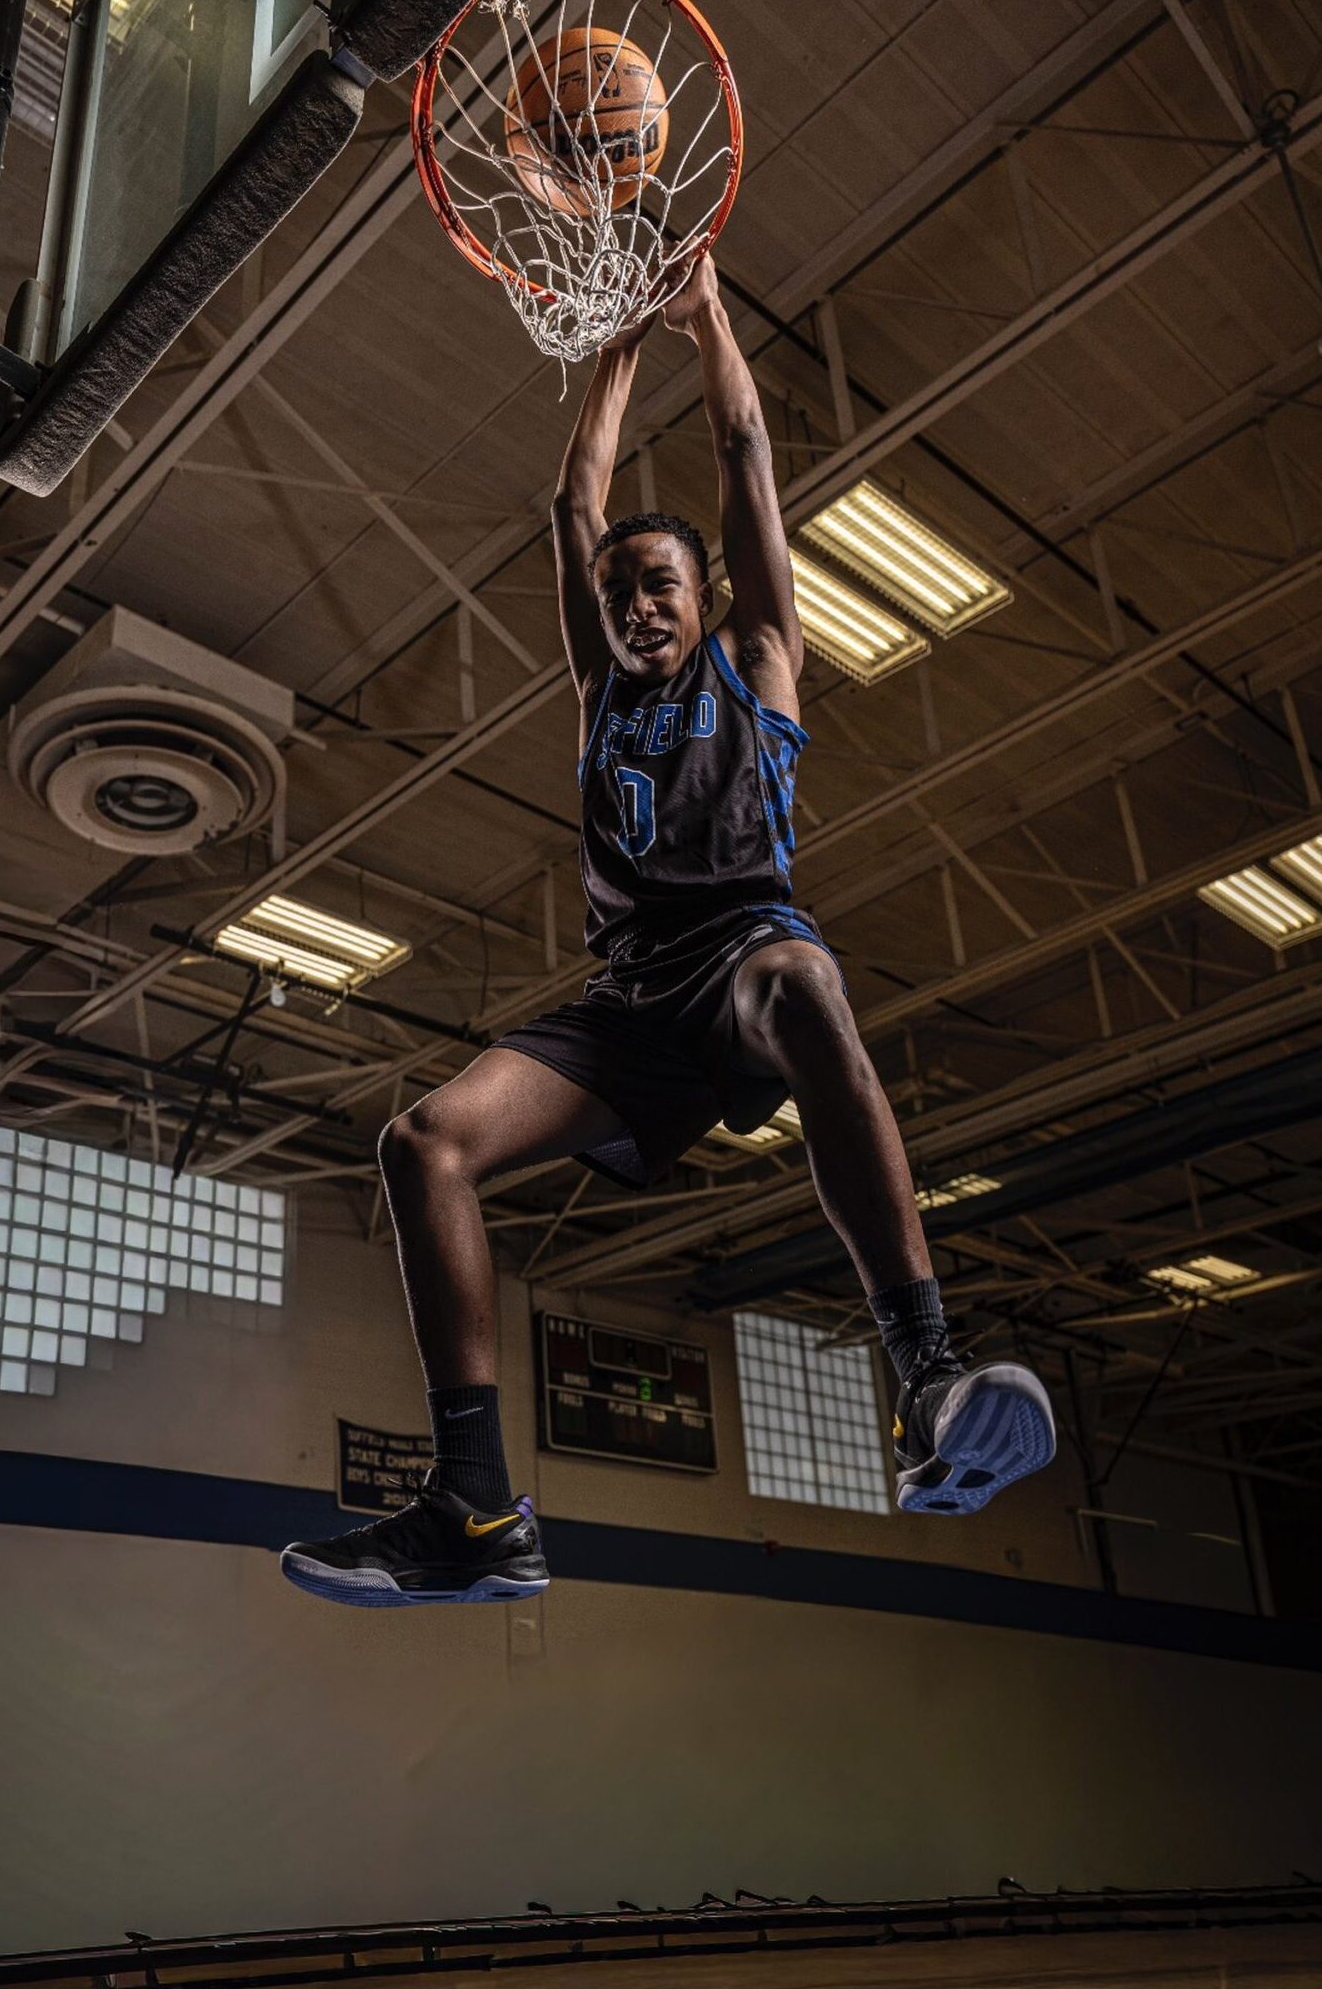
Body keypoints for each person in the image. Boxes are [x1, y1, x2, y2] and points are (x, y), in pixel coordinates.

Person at [281, 254, 1055, 1609]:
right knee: (424, 1142)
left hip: (745, 954)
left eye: (663, 586)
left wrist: (704, 320)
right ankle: (471, 1510)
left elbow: (748, 447)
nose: (640, 601)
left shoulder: (758, 669)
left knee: (808, 986)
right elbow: (570, 499)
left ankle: (926, 1371)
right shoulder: (599, 693)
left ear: (709, 607)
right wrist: (619, 344)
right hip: (634, 1002)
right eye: (624, 585)